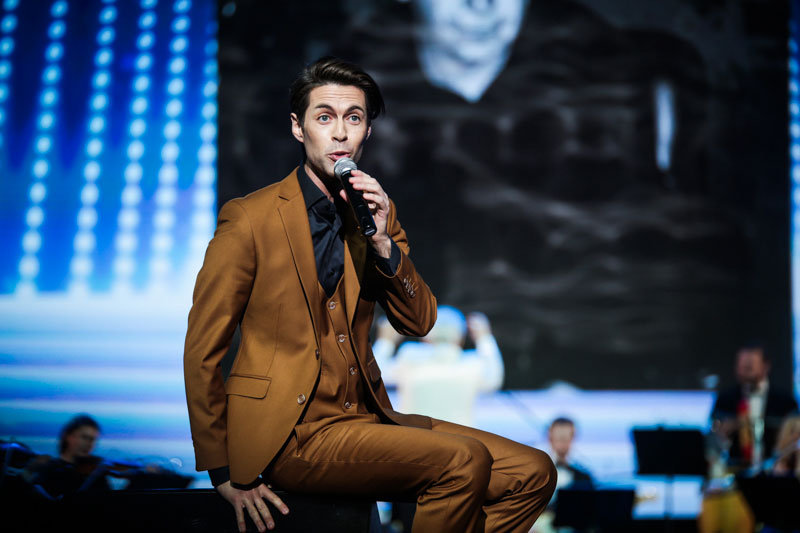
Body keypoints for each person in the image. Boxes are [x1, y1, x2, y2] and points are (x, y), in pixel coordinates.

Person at [184, 56, 556, 533]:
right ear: (298, 128)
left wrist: (382, 243)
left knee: (532, 472)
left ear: (367, 132)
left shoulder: (377, 211)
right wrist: (222, 470)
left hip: (366, 418)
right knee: (462, 461)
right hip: (288, 433)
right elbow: (203, 349)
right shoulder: (250, 218)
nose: (340, 133)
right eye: (325, 117)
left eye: (354, 118)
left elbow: (419, 322)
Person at [372, 305, 504, 425]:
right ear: (461, 338)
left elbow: (373, 375)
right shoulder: (471, 365)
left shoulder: (410, 359)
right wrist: (485, 339)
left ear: (424, 337)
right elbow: (493, 379)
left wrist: (386, 341)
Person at [710, 343, 799, 468]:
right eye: (740, 367)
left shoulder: (785, 402)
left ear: (765, 367)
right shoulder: (725, 399)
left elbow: (793, 438)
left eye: (749, 367)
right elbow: (712, 434)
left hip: (774, 469)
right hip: (735, 469)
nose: (742, 372)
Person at [25, 414, 109, 499]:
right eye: (84, 437)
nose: (89, 444)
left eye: (93, 439)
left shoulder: (96, 473)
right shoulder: (48, 469)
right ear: (68, 436)